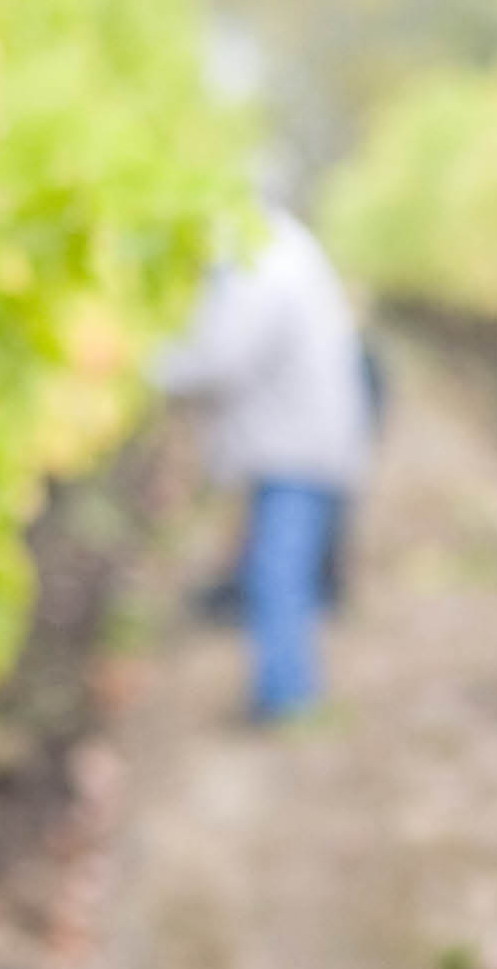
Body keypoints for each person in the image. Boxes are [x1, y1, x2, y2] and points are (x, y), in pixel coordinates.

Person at [149, 208, 371, 724]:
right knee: (279, 565)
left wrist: (147, 366)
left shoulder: (264, 260)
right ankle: (286, 690)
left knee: (279, 570)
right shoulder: (283, 250)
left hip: (296, 446)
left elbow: (221, 353)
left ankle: (287, 697)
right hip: (301, 439)